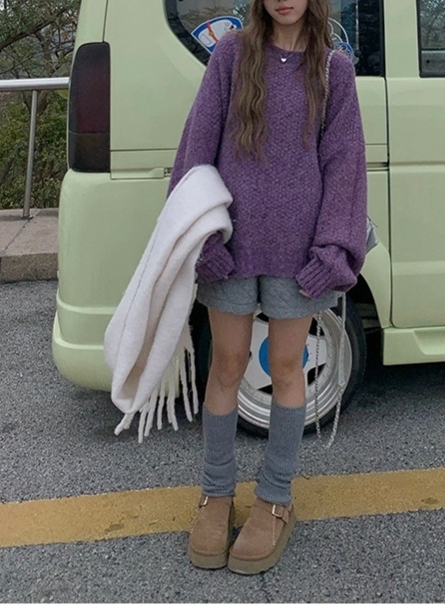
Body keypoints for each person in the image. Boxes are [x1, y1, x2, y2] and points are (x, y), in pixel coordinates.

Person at [168, 0, 367, 574]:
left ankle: (276, 497)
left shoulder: (333, 71)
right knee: (227, 365)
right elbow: (196, 149)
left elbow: (345, 167)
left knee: (285, 368)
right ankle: (215, 494)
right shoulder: (231, 57)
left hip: (298, 255)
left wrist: (333, 252)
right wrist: (200, 238)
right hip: (231, 250)